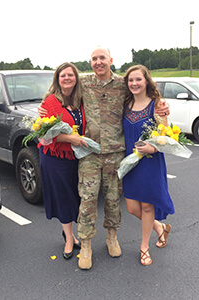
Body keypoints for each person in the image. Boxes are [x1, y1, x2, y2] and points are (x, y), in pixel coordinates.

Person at [38, 47, 170, 270]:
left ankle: (112, 237)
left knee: (112, 199)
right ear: (90, 62)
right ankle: (87, 245)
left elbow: (143, 90)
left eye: (102, 58)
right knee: (87, 199)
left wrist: (161, 104)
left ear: (110, 60)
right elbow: (63, 88)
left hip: (116, 153)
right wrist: (44, 111)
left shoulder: (122, 83)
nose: (98, 62)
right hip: (89, 152)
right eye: (94, 59)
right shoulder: (84, 82)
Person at [123, 65, 175, 266]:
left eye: (138, 79)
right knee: (132, 207)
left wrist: (152, 149)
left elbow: (167, 137)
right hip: (129, 163)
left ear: (147, 81)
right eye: (130, 80)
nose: (134, 83)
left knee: (146, 206)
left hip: (150, 163)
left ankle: (144, 247)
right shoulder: (125, 104)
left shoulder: (157, 105)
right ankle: (160, 228)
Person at [38, 62, 87, 260]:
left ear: (76, 78)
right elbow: (45, 134)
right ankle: (69, 238)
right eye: (62, 75)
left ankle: (71, 233)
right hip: (55, 158)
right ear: (57, 79)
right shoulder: (50, 102)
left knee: (76, 197)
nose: (67, 78)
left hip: (76, 157)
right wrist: (71, 139)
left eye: (70, 75)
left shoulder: (81, 100)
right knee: (63, 198)